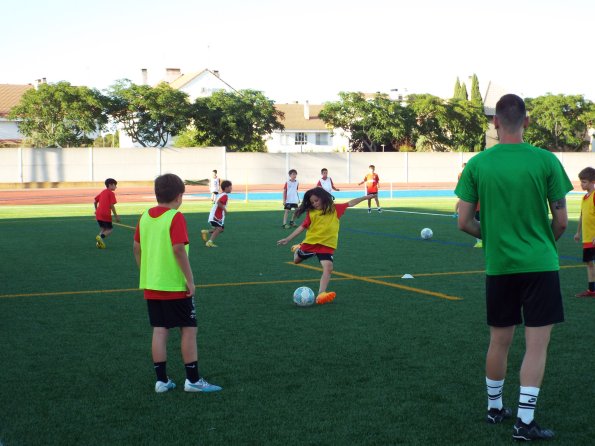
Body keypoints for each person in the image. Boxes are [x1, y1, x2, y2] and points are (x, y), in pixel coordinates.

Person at [455, 94, 572, 441]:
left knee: (499, 341)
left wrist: (491, 239)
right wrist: (542, 246)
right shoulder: (546, 160)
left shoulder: (478, 164)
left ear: (495, 122)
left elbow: (463, 221)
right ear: (528, 121)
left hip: (500, 265)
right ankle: (524, 421)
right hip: (540, 265)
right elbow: (562, 221)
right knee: (537, 345)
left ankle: (494, 409)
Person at [133, 173, 222, 394]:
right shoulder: (175, 216)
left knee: (160, 330)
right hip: (175, 285)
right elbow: (178, 249)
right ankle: (192, 380)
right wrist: (189, 280)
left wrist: (147, 272)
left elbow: (136, 248)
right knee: (189, 330)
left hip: (152, 285)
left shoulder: (144, 216)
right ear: (179, 195)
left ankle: (161, 381)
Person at [277, 187, 374, 305]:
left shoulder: (335, 209)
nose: (314, 204)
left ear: (323, 198)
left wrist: (366, 197)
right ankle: (298, 249)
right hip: (311, 243)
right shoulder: (312, 213)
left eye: (316, 201)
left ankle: (321, 294)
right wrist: (288, 239)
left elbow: (351, 203)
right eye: (312, 202)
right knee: (296, 260)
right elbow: (302, 227)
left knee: (328, 267)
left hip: (327, 245)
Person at [573, 167, 595, 297]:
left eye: (584, 182)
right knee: (589, 263)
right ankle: (591, 290)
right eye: (581, 181)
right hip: (586, 238)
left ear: (593, 181)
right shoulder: (584, 198)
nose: (582, 184)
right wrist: (577, 232)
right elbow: (582, 215)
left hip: (593, 237)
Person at [201, 180, 232, 248]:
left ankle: (205, 231)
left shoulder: (221, 194)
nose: (231, 188)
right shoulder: (225, 196)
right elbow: (219, 203)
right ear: (226, 188)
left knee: (221, 229)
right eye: (230, 187)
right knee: (219, 228)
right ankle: (209, 242)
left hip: (216, 215)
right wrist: (225, 210)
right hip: (216, 216)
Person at [94, 178, 120, 249]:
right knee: (109, 229)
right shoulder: (111, 193)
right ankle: (100, 237)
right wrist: (116, 216)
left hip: (98, 214)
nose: (116, 187)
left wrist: (96, 210)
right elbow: (111, 205)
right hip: (105, 214)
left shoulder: (103, 192)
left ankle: (99, 243)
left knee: (103, 229)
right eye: (115, 185)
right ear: (110, 185)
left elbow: (95, 201)